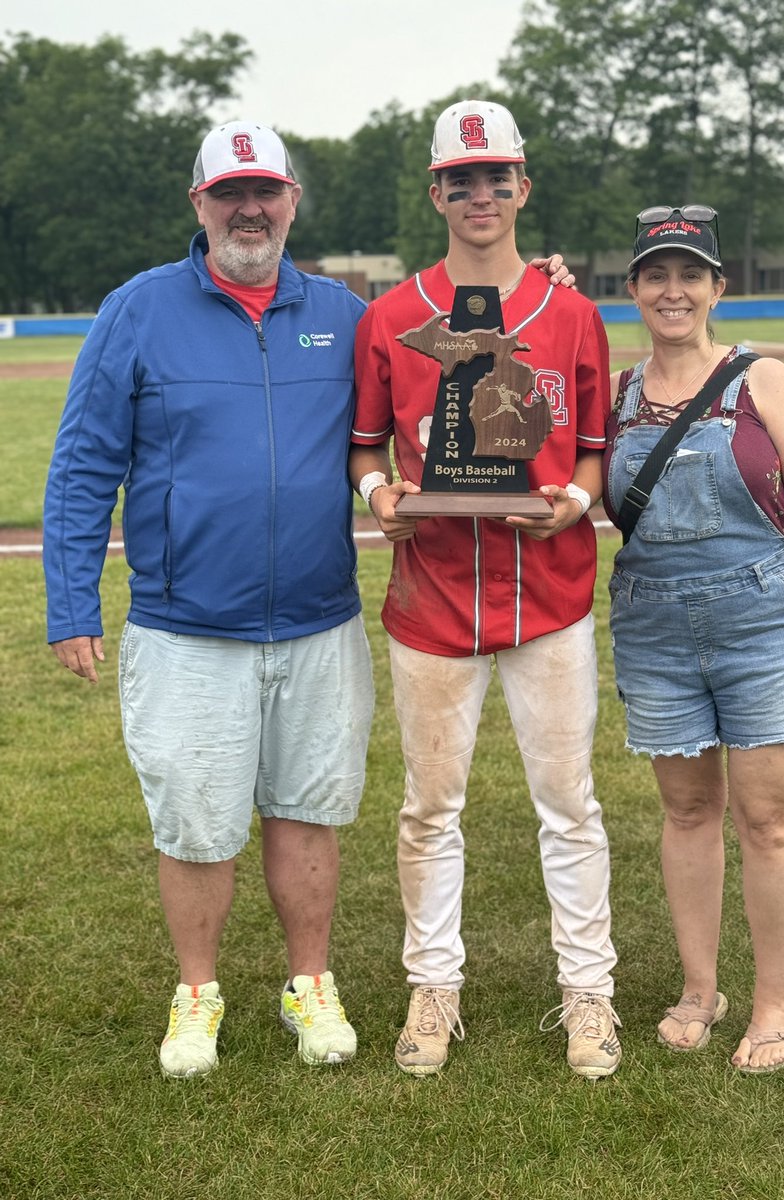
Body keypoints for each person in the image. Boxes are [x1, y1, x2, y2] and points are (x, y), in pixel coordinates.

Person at [42, 121, 377, 1079]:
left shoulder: (344, 314)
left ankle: (308, 984)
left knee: (309, 810)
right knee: (195, 821)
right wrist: (73, 604)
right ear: (199, 204)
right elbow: (80, 470)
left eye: (266, 190)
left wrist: (541, 288)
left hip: (318, 618)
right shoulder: (138, 311)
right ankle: (197, 994)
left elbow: (460, 364)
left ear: (291, 202)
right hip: (186, 627)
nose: (250, 208)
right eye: (230, 191)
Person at [349, 100, 620, 1079]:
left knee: (569, 803)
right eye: (461, 178)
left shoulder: (574, 313)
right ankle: (435, 986)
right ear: (436, 191)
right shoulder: (392, 315)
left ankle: (589, 990)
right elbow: (365, 443)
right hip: (432, 596)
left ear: (522, 188)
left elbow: (593, 455)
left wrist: (572, 507)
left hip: (548, 593)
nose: (480, 193)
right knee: (430, 806)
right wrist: (380, 492)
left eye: (496, 176)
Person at [602, 204, 784, 1073]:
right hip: (655, 629)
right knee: (687, 812)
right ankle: (699, 989)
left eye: (690, 275)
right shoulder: (618, 398)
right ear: (634, 288)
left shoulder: (765, 381)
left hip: (767, 627)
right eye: (657, 275)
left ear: (717, 287)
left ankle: (773, 1003)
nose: (674, 291)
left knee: (769, 821)